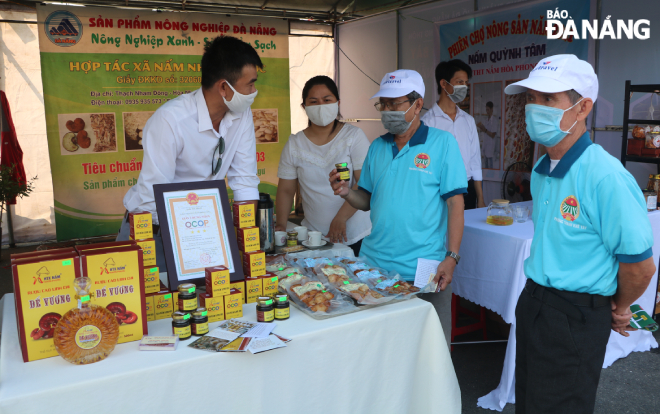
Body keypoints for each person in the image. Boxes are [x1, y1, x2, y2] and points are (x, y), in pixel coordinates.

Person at [506, 54, 655, 413]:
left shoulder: (606, 176)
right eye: (531, 98)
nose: (534, 108)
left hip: (574, 315)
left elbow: (639, 267)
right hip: (535, 302)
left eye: (548, 99)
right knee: (529, 401)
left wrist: (616, 307)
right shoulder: (543, 168)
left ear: (582, 107)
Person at [329, 69, 467, 348]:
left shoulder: (443, 144)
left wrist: (451, 257)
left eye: (395, 103)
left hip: (424, 272)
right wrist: (346, 193)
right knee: (381, 349)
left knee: (431, 351)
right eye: (384, 104)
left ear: (418, 105)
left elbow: (455, 204)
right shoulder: (378, 147)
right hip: (373, 268)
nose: (388, 110)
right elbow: (367, 199)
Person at [118, 36, 262, 271]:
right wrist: (179, 238)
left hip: (200, 227)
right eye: (250, 84)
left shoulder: (241, 115)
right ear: (224, 87)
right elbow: (153, 194)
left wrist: (247, 239)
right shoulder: (171, 120)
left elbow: (244, 179)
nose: (254, 91)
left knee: (207, 300)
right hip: (153, 229)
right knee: (152, 303)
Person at [275, 76, 371, 256]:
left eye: (327, 100)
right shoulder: (295, 144)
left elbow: (364, 183)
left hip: (358, 236)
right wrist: (281, 224)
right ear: (304, 107)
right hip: (314, 238)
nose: (321, 105)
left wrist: (341, 218)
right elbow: (286, 190)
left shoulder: (354, 136)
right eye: (313, 101)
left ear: (338, 103)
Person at [422, 59, 485, 209]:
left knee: (467, 232)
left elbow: (475, 161)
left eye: (465, 83)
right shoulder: (428, 122)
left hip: (467, 188)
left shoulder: (468, 120)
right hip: (439, 189)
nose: (463, 87)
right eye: (459, 82)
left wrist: (480, 198)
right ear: (444, 84)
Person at [476, 101, 498, 169]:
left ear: (492, 109)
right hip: (486, 145)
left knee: (490, 167)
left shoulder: (494, 120)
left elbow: (493, 135)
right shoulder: (486, 120)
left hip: (491, 147)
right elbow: (486, 131)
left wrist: (485, 130)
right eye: (486, 110)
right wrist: (481, 128)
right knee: (485, 166)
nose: (487, 111)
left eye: (488, 110)